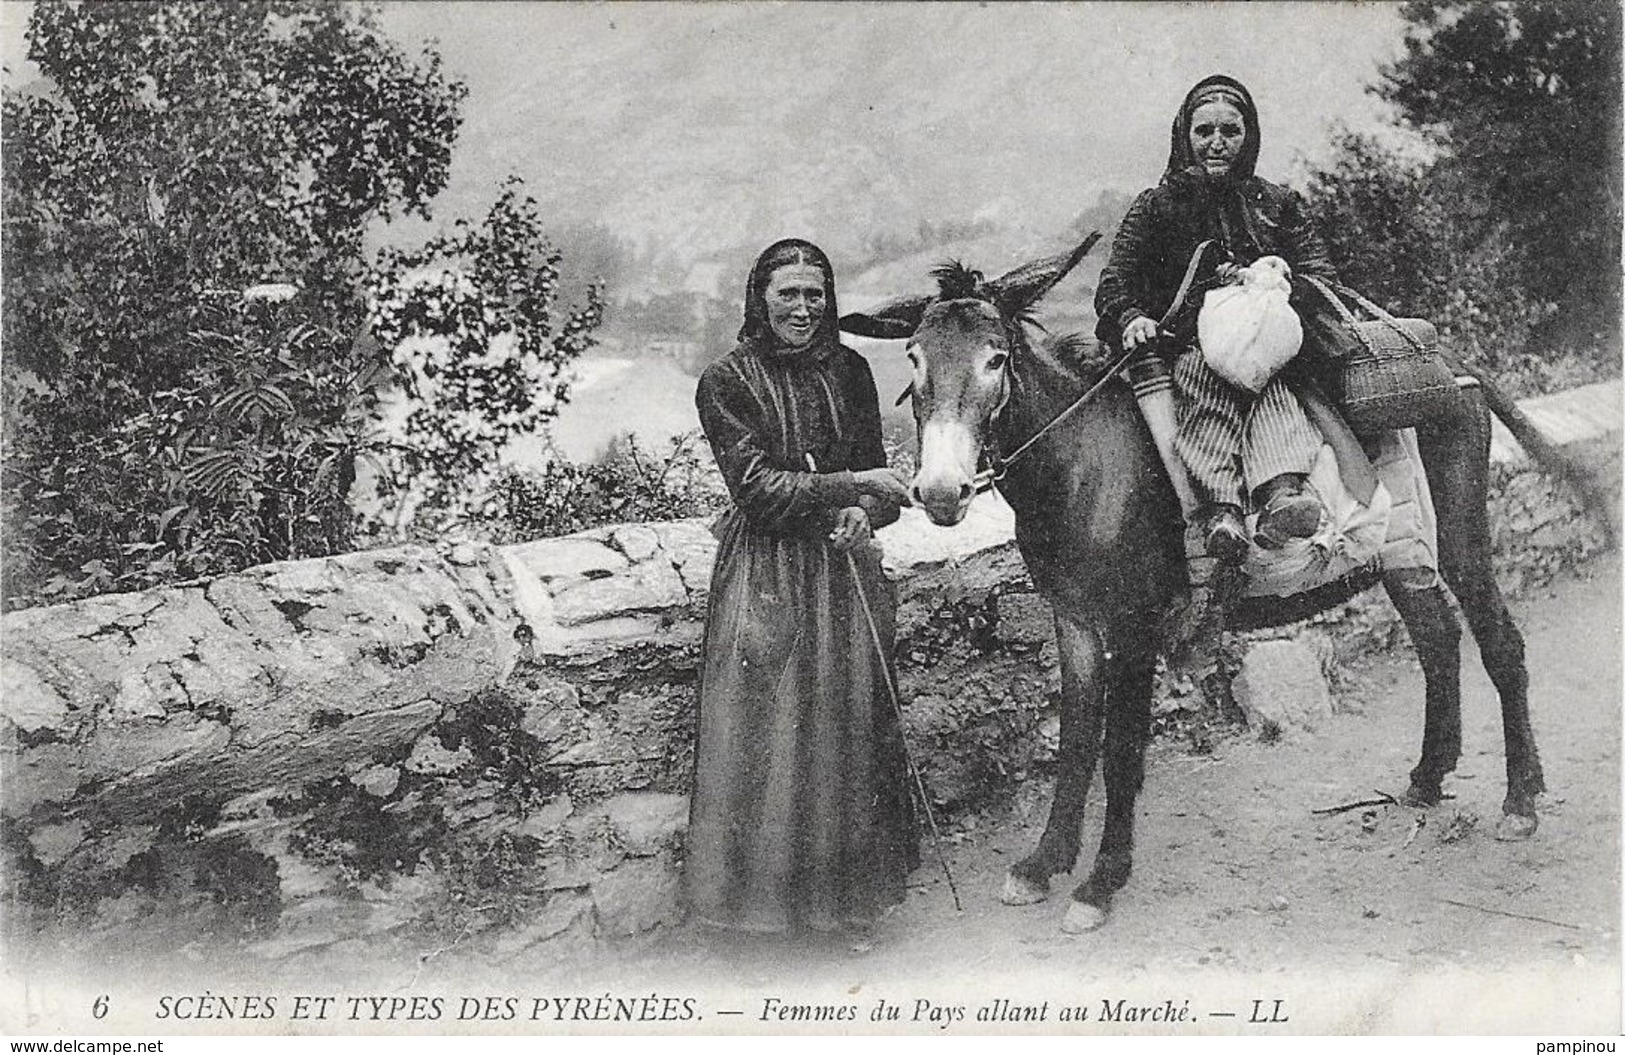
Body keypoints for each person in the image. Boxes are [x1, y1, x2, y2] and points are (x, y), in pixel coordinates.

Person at [685, 238, 919, 946]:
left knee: (844, 740)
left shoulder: (849, 370)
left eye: (815, 293)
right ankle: (758, 917)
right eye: (787, 293)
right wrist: (852, 489)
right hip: (768, 577)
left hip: (840, 577)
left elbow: (876, 481)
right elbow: (757, 492)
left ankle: (843, 907)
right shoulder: (727, 380)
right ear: (759, 298)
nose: (803, 307)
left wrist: (861, 512)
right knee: (767, 737)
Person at [1095, 74, 1339, 560]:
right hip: (1188, 346)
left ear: (1249, 137)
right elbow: (1114, 282)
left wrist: (1277, 289)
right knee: (1201, 379)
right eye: (1204, 131)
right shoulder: (1157, 207)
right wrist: (1131, 318)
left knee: (1272, 386)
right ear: (1185, 136)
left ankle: (1281, 495)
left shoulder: (1277, 204)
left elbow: (1321, 275)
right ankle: (1221, 509)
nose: (1217, 144)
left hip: (1267, 345)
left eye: (1230, 131)